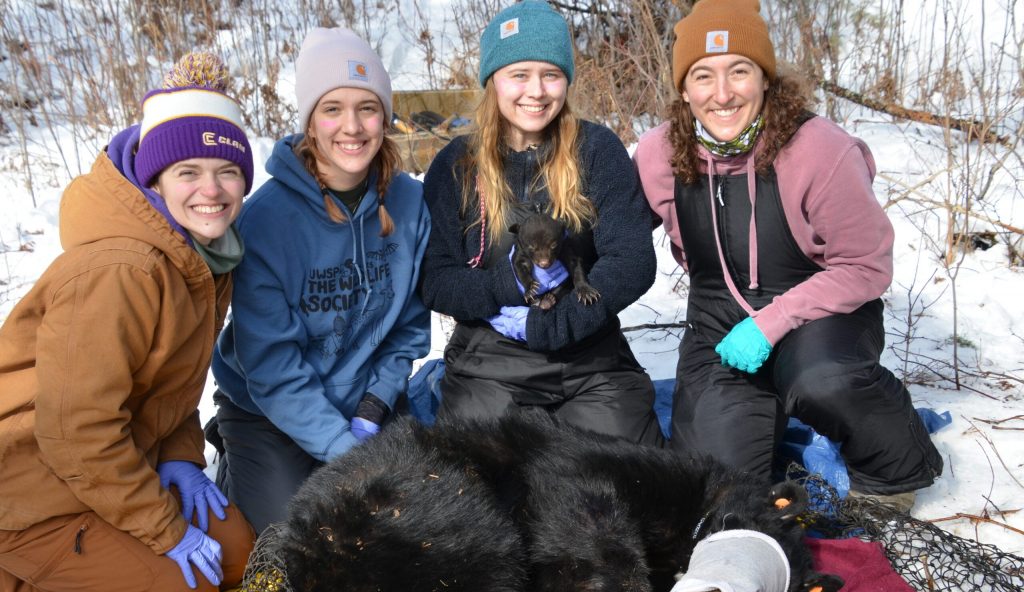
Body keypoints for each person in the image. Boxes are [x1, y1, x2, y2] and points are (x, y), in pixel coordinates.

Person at [633, 0, 943, 510]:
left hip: (821, 314)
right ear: (684, 89)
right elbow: (609, 230)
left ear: (766, 78)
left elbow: (866, 265)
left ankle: (896, 466)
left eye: (740, 71)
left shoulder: (819, 149)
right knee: (708, 488)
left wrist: (774, 321)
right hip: (720, 326)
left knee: (822, 381)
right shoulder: (657, 153)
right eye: (703, 75)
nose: (723, 93)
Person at [0, 52, 256, 592]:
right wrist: (165, 530)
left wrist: (183, 458)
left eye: (227, 170)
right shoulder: (123, 270)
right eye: (188, 171)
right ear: (154, 178)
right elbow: (75, 433)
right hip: (30, 485)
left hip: (110, 464)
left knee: (238, 557)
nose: (211, 190)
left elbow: (170, 388)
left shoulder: (202, 257)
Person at [210, 27, 431, 533]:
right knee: (303, 538)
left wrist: (375, 407)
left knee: (408, 528)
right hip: (269, 410)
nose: (351, 127)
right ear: (310, 121)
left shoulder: (410, 204)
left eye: (367, 108)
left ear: (385, 117)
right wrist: (340, 450)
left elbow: (409, 329)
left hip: (366, 404)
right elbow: (272, 367)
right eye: (332, 108)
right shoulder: (266, 221)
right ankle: (236, 461)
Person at [420, 0, 663, 447]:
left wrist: (558, 324)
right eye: (519, 74)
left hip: (588, 353)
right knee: (474, 485)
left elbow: (631, 259)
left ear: (566, 81)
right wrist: (505, 287)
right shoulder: (456, 165)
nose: (536, 91)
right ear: (493, 79)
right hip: (490, 361)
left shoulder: (597, 149)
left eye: (550, 74)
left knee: (632, 482)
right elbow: (435, 278)